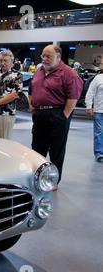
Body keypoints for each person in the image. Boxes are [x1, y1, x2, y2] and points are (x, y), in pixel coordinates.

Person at [28, 44, 83, 190]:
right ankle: (37, 176)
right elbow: (31, 89)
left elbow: (73, 96)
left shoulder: (68, 73)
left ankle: (54, 181)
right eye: (43, 56)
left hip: (57, 114)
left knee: (56, 150)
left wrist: (64, 115)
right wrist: (32, 106)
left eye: (48, 56)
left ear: (58, 57)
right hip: (40, 115)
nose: (44, 59)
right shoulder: (39, 71)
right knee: (37, 148)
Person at [85, 73, 103, 162]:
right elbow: (90, 92)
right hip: (99, 110)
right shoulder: (98, 78)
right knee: (99, 132)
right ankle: (99, 153)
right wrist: (89, 106)